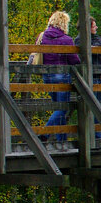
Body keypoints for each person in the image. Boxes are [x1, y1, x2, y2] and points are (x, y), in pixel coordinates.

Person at [38, 11, 81, 144]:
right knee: (62, 108)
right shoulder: (67, 40)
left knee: (58, 108)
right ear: (63, 23)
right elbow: (74, 60)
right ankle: (44, 134)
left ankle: (62, 141)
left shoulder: (42, 36)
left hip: (47, 75)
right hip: (62, 75)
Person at [74, 17, 101, 105]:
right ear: (87, 28)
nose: (96, 27)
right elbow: (93, 50)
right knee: (93, 106)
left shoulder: (95, 37)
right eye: (94, 26)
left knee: (100, 106)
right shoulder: (80, 39)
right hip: (91, 77)